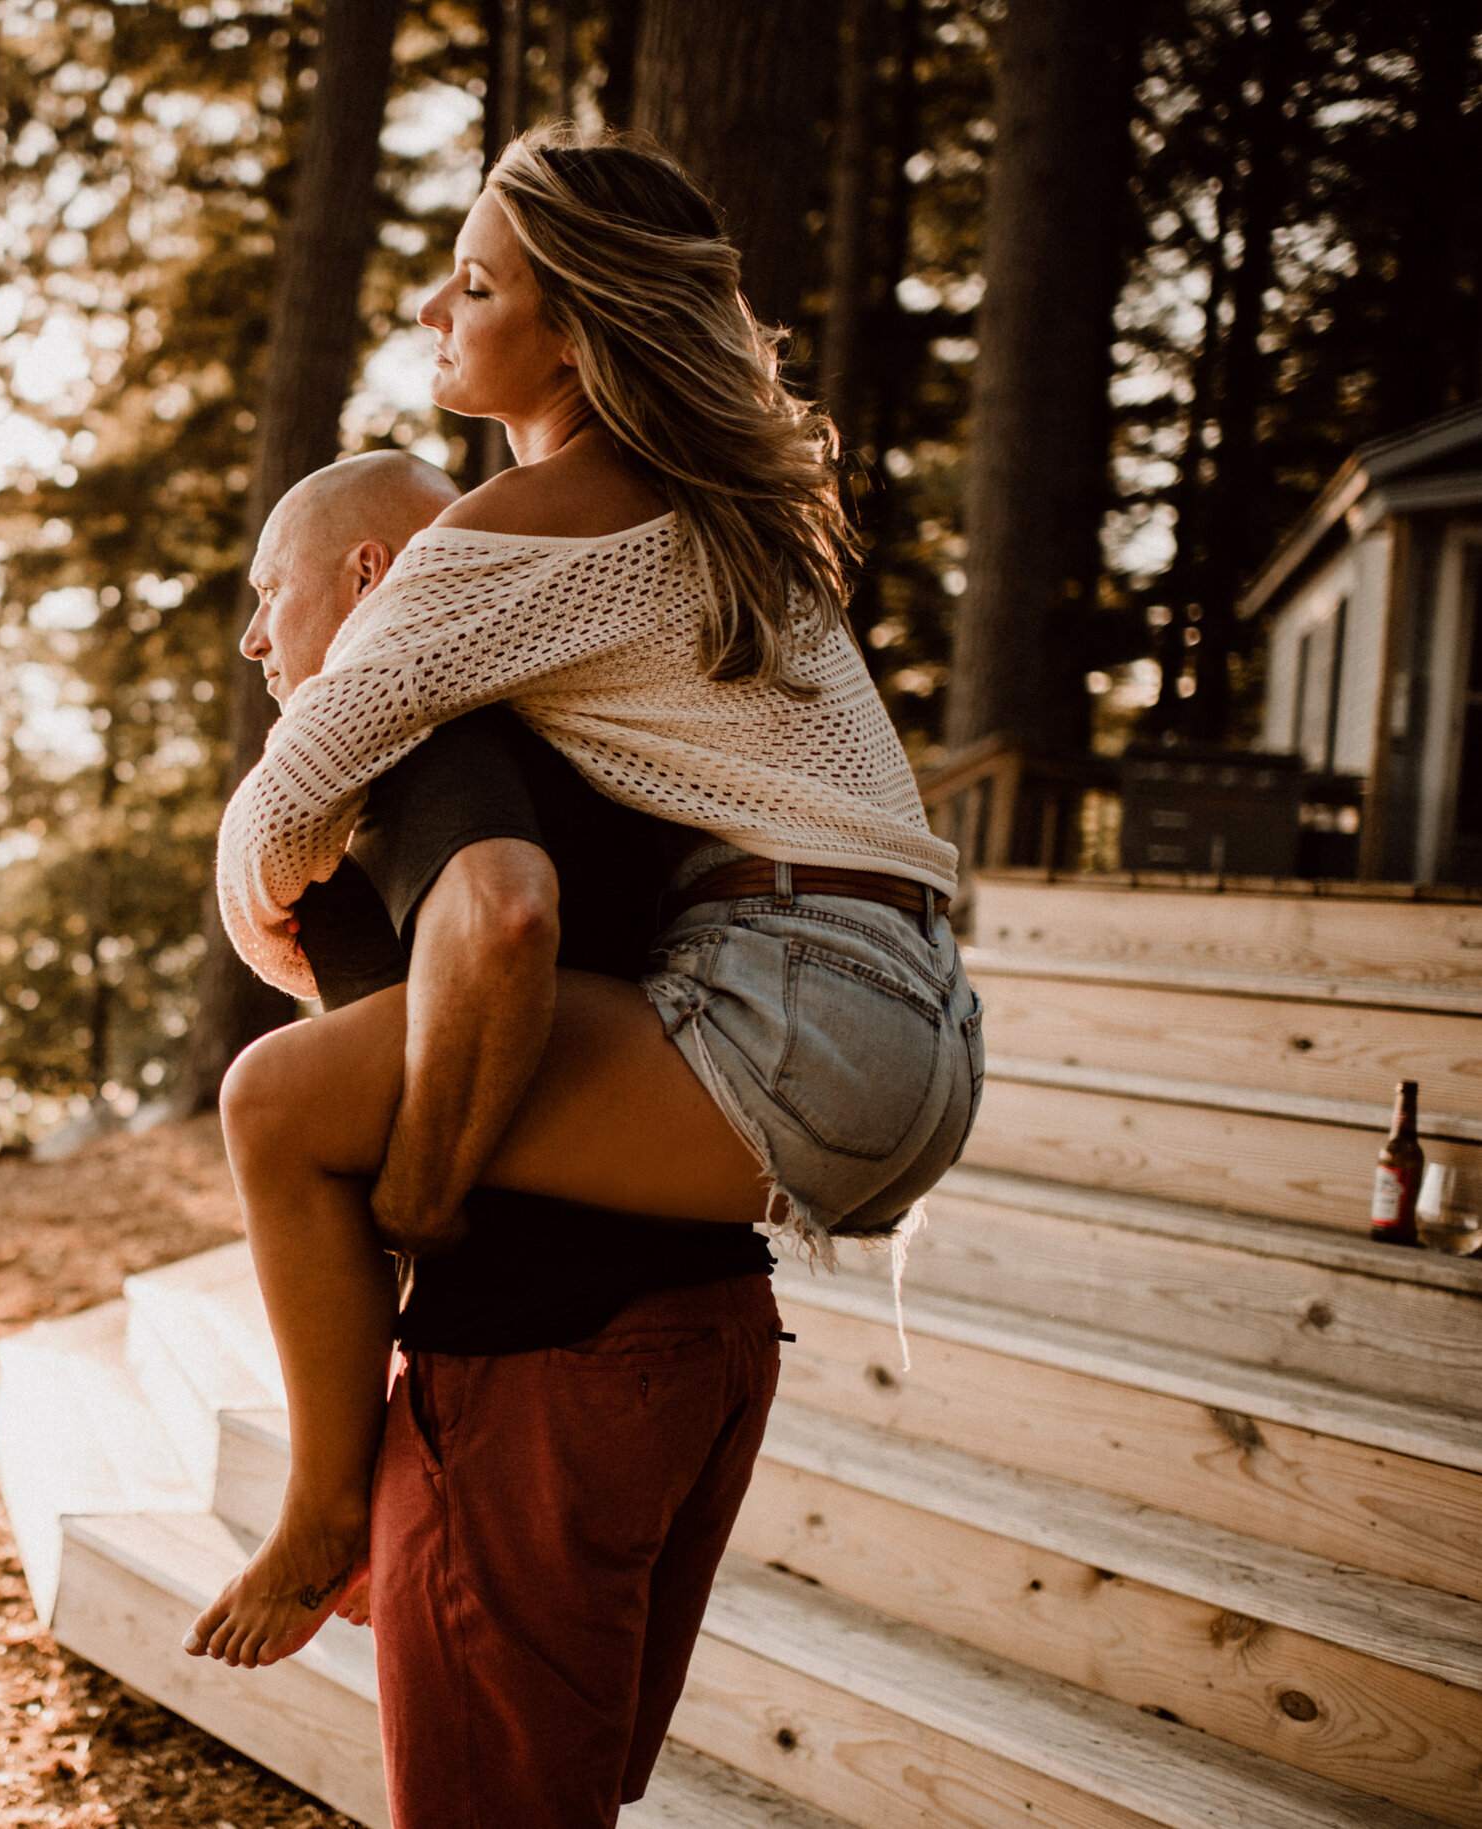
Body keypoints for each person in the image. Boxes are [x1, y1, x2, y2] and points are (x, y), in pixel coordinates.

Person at [182, 123, 980, 1811]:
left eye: (475, 285)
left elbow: (300, 780)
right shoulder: (726, 515)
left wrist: (270, 924)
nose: (434, 310)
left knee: (276, 1099)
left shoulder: (499, 543)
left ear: (575, 329)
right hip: (915, 1015)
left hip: (788, 1007)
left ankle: (327, 1502)